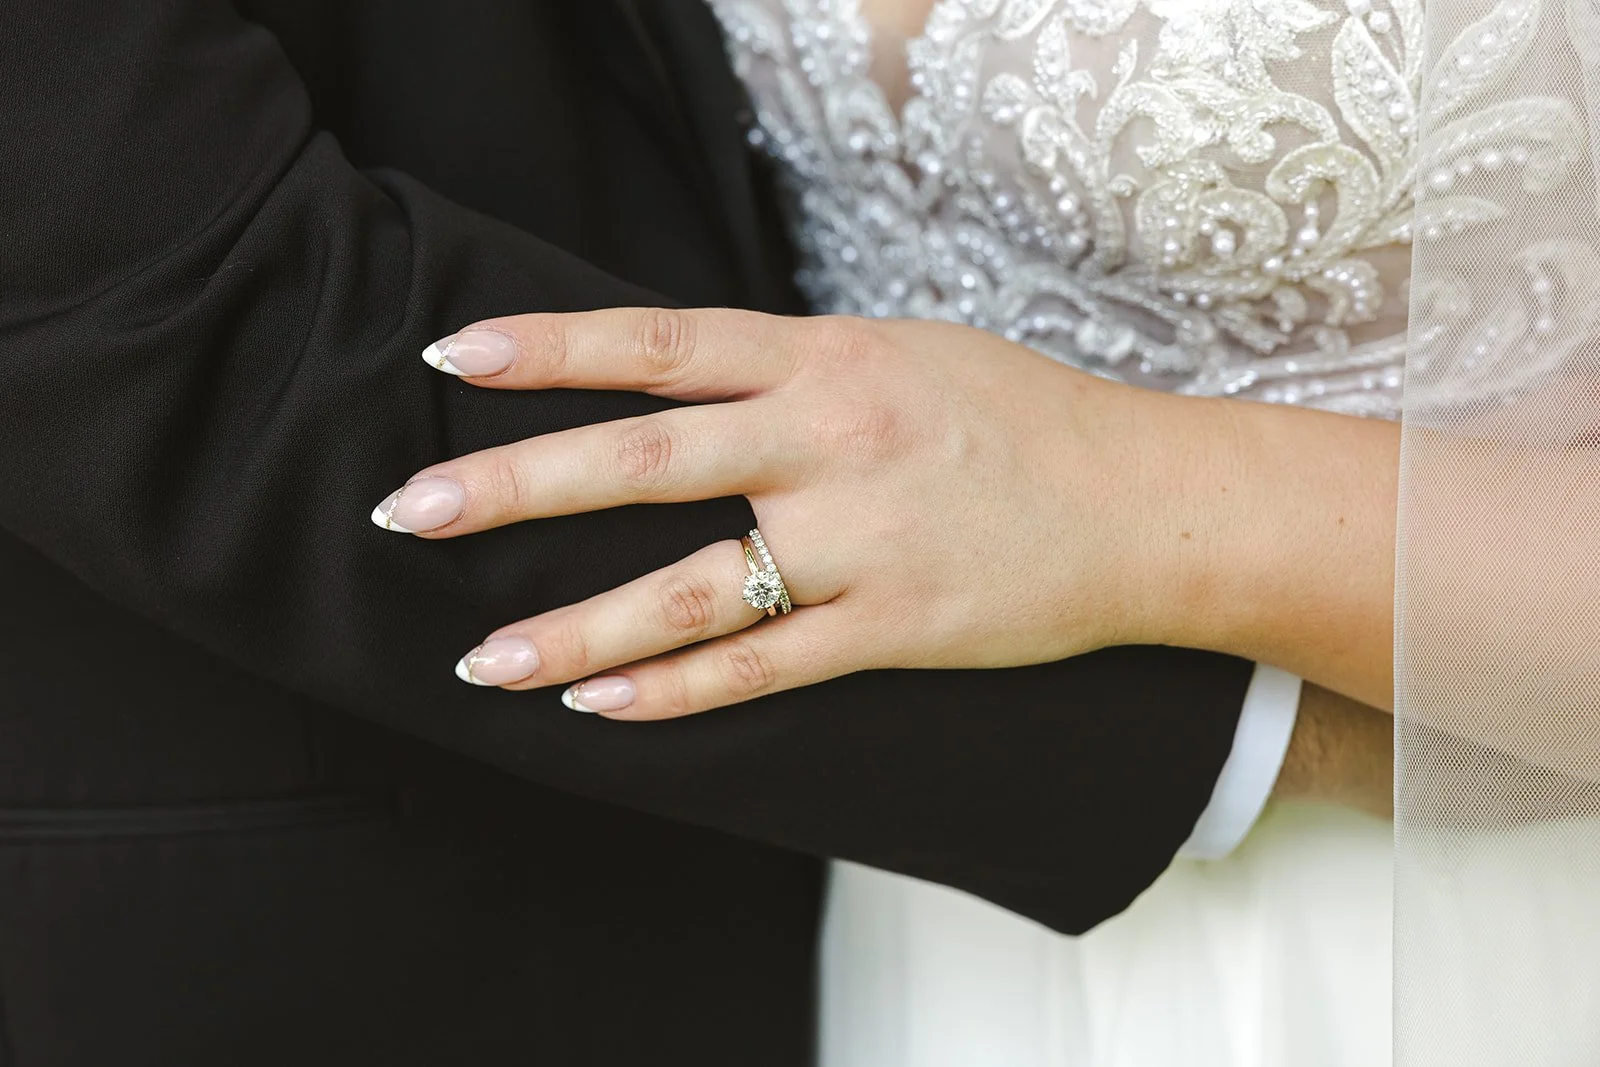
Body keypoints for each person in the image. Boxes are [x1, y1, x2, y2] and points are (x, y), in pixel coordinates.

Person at [0, 1, 1384, 1063]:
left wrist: (1185, 518)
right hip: (656, 909)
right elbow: (171, 294)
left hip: (1383, 835)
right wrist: (1259, 719)